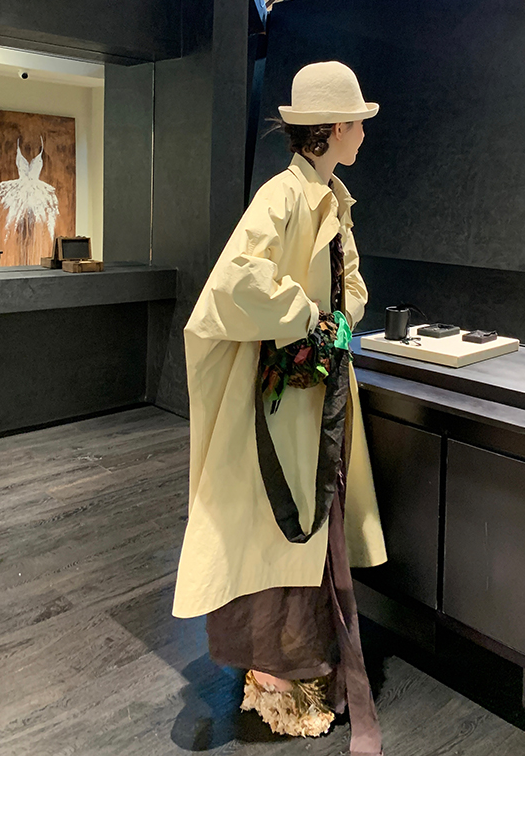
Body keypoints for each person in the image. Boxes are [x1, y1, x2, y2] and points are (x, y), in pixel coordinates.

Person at [172, 61, 387, 755]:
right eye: (357, 122)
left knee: (316, 521)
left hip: (320, 395)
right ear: (333, 128)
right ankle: (276, 674)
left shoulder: (331, 197)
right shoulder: (282, 195)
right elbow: (239, 279)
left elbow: (351, 282)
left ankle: (304, 668)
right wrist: (306, 319)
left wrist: (340, 320)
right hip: (286, 399)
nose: (363, 133)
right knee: (281, 524)